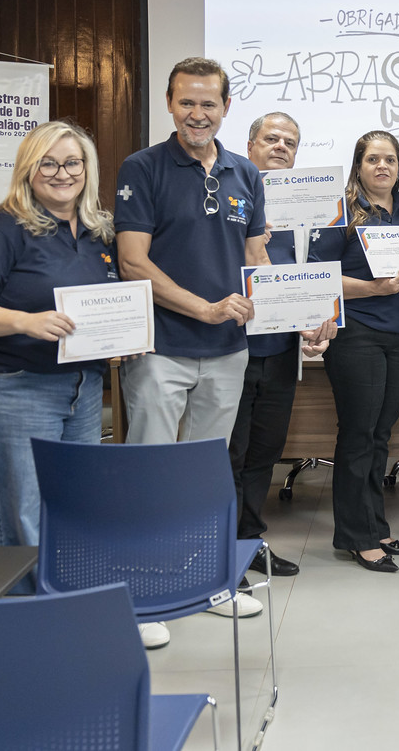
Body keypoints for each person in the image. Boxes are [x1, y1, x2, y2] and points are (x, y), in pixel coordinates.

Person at [115, 56, 268, 634]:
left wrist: (304, 310)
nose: (197, 114)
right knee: (152, 472)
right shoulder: (143, 167)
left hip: (228, 351)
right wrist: (203, 308)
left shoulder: (244, 173)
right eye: (187, 102)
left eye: (208, 103)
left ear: (226, 107)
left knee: (206, 474)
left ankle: (204, 583)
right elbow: (133, 262)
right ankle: (144, 596)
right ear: (169, 104)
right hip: (162, 349)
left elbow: (255, 257)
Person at [0, 120, 112, 573]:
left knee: (75, 501)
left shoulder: (100, 231)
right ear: (28, 169)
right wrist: (26, 321)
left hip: (83, 388)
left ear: (87, 168)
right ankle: (22, 606)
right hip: (16, 386)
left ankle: (65, 594)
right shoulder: (1, 229)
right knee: (21, 513)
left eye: (73, 163)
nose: (63, 174)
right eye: (48, 164)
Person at [308, 131, 399, 573]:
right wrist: (374, 289)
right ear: (358, 165)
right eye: (373, 159)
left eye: (390, 159)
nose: (382, 166)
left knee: (380, 435)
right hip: (357, 334)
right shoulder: (340, 209)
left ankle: (375, 524)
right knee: (359, 434)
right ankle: (356, 537)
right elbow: (321, 275)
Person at [227, 113, 335, 579]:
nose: (280, 147)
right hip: (231, 347)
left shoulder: (304, 209)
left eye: (289, 142)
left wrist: (319, 322)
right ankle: (220, 548)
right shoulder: (229, 199)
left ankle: (249, 543)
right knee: (230, 452)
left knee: (264, 453)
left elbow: (311, 276)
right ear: (250, 145)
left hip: (280, 351)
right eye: (271, 139)